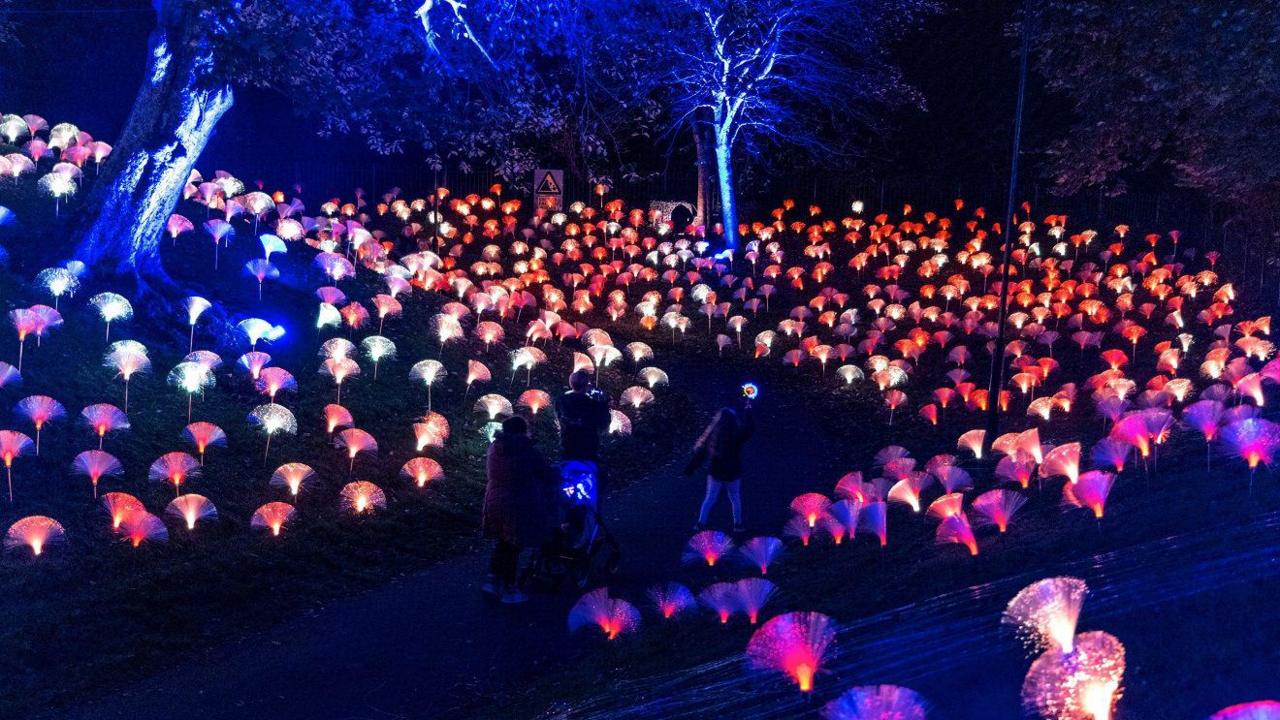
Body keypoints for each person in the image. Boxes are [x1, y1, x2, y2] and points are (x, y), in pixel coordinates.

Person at [482, 415, 556, 604]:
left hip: (493, 500)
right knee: (514, 545)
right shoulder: (527, 451)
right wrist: (558, 476)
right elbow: (545, 474)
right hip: (516, 503)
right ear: (523, 431)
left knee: (502, 541)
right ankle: (509, 589)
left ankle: (492, 580)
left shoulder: (494, 447)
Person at [554, 370, 611, 545]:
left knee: (567, 492)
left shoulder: (561, 401)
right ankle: (589, 532)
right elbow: (604, 423)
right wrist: (604, 403)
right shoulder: (592, 404)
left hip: (567, 452)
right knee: (591, 494)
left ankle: (567, 525)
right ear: (586, 385)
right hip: (587, 453)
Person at [685, 397, 755, 533]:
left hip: (715, 472)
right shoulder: (736, 435)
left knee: (710, 498)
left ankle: (700, 523)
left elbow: (701, 454)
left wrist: (690, 468)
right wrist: (748, 411)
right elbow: (749, 429)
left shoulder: (713, 436)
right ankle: (738, 525)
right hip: (733, 472)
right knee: (735, 498)